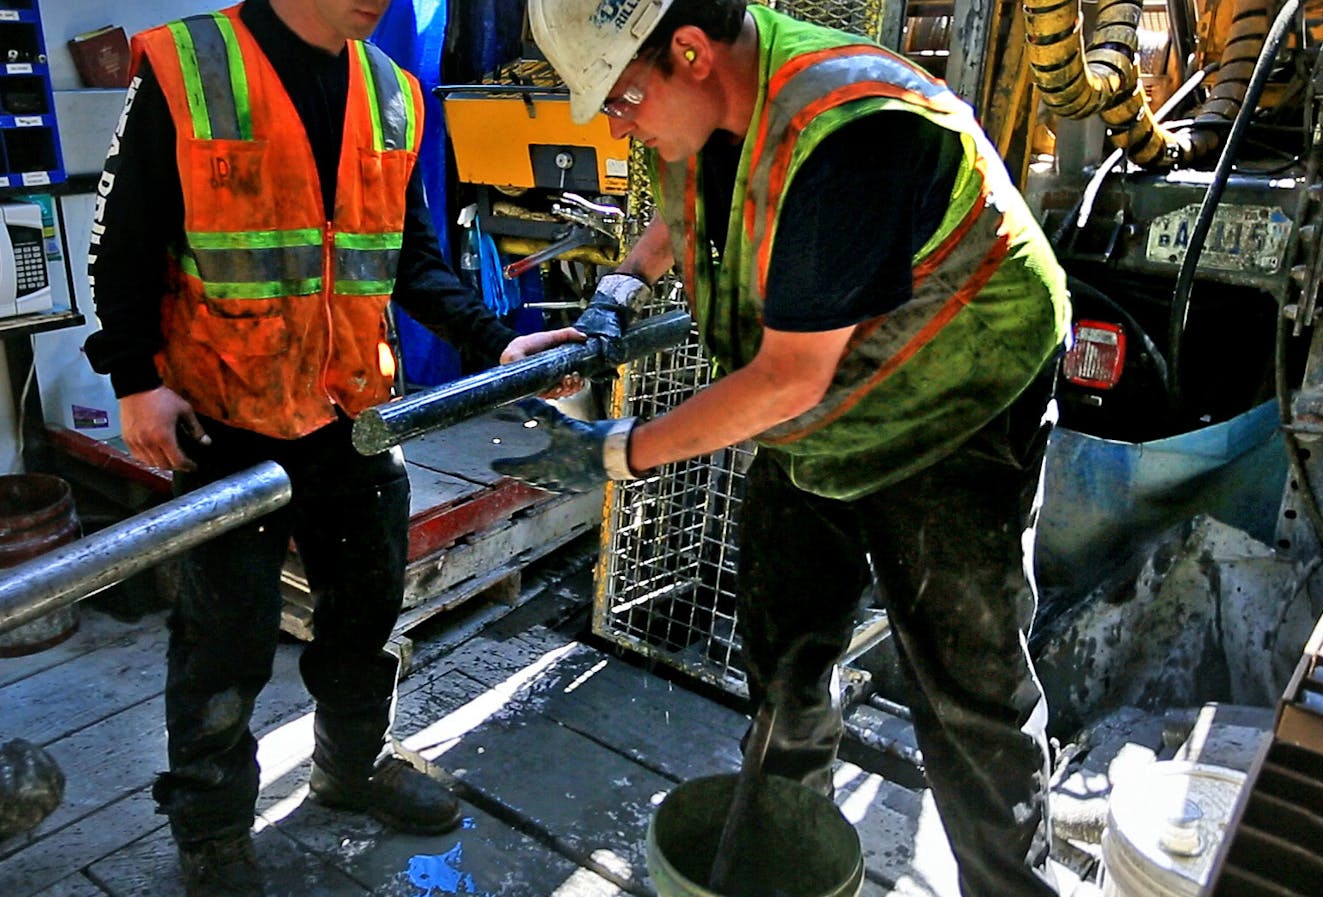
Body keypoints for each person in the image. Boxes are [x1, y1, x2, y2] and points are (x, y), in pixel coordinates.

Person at [495, 1, 1071, 895]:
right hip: (830, 412)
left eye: (621, 100)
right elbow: (690, 199)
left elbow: (784, 381)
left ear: (689, 52)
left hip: (958, 403)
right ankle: (781, 856)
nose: (619, 121)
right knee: (786, 651)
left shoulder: (851, 134)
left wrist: (616, 451)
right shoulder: (705, 101)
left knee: (968, 693)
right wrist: (612, 295)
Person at [82, 1, 580, 895]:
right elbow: (120, 241)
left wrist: (492, 339)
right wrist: (130, 378)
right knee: (221, 640)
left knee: (365, 614)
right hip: (221, 417)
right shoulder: (194, 67)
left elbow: (407, 254)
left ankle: (349, 765)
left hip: (353, 417)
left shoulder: (391, 91)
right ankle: (212, 826)